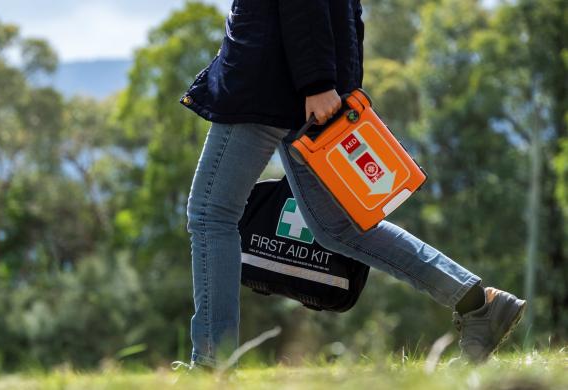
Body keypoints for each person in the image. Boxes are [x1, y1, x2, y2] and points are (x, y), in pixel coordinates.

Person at [177, 0, 525, 371]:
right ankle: (477, 302)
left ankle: (211, 364)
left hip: (266, 82)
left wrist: (320, 82)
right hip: (300, 85)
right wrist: (339, 84)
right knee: (337, 227)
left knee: (212, 214)